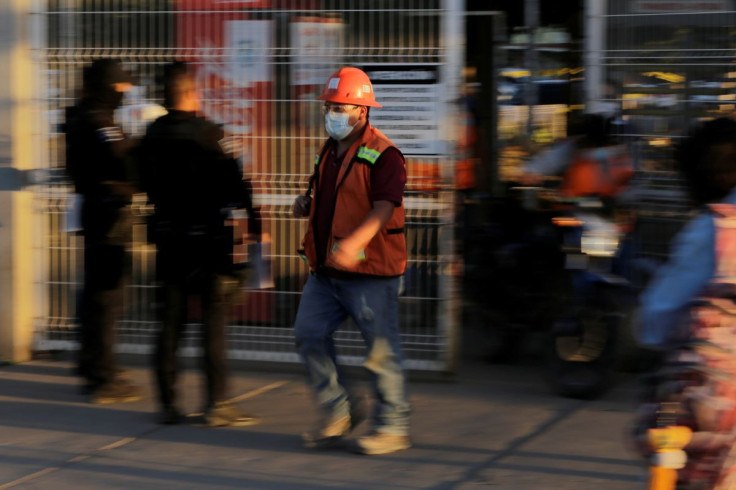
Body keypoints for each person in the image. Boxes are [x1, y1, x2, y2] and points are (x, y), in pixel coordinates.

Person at [292, 66, 411, 455]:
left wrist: (354, 242)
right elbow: (336, 197)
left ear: (362, 110)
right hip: (326, 271)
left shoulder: (385, 154)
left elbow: (384, 207)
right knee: (308, 334)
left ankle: (392, 427)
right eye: (329, 106)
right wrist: (306, 204)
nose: (332, 113)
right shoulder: (329, 149)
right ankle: (339, 412)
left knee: (380, 352)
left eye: (340, 106)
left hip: (370, 272)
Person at [138, 62, 262, 426]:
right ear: (192, 93)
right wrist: (253, 227)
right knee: (213, 323)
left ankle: (167, 403)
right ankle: (216, 404)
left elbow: (141, 181)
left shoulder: (149, 137)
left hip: (167, 239)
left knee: (170, 324)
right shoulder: (211, 134)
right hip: (208, 243)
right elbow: (239, 186)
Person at [64, 58, 143, 404]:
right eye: (120, 88)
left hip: (95, 211)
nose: (124, 93)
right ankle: (102, 377)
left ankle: (90, 363)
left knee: (96, 294)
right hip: (106, 216)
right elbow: (123, 159)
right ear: (107, 87)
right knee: (107, 298)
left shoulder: (80, 115)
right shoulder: (98, 122)